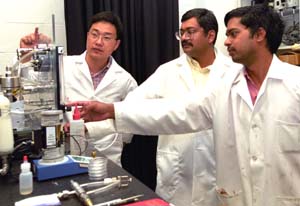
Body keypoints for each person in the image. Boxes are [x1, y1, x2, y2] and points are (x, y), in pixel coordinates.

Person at [68, 4, 300, 206]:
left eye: (233, 34)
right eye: (182, 32)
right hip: (191, 180)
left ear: (259, 35)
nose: (226, 41)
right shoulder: (225, 85)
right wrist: (111, 110)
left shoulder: (293, 83)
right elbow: (176, 113)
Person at [123, 8, 233, 206]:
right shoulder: (168, 71)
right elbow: (132, 105)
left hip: (217, 172)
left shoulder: (233, 71)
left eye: (190, 32)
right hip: (177, 173)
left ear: (210, 35)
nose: (184, 37)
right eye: (181, 32)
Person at [20, 11, 137, 166]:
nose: (99, 41)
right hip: (66, 155)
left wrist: (109, 140)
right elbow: (32, 88)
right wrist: (27, 55)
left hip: (108, 160)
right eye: (94, 34)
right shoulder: (63, 65)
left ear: (116, 44)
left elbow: (129, 129)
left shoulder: (125, 80)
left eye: (107, 37)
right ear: (87, 36)